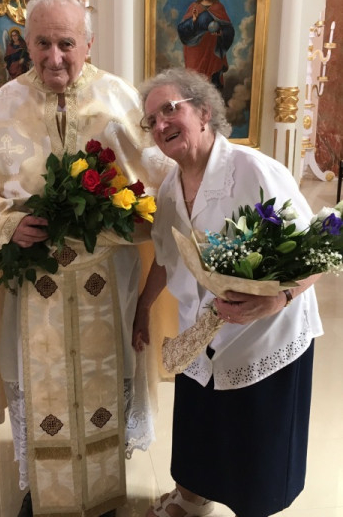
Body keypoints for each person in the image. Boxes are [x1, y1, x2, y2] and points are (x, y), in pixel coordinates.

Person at [0, 0, 171, 517]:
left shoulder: (118, 99)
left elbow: (160, 181)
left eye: (66, 43)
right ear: (27, 44)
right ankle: (43, 489)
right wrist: (8, 222)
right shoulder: (4, 106)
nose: (55, 57)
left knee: (108, 377)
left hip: (106, 278)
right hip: (33, 284)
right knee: (39, 382)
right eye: (42, 43)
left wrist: (130, 217)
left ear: (88, 43)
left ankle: (105, 488)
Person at [132, 68, 323, 517]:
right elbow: (165, 257)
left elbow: (319, 250)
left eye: (170, 110)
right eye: (151, 120)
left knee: (255, 441)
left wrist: (278, 299)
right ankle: (191, 498)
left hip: (266, 333)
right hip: (202, 331)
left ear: (204, 113)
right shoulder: (170, 188)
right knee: (200, 424)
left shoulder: (253, 169)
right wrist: (143, 307)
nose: (160, 124)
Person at [177, 0, 234, 91]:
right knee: (195, 82)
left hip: (212, 50)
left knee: (212, 83)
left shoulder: (218, 7)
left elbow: (229, 29)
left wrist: (220, 32)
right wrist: (193, 20)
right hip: (196, 50)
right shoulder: (194, 7)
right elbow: (182, 29)